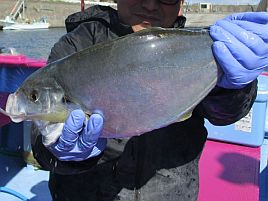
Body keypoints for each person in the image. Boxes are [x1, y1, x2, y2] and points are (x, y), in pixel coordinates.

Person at [31, 1, 268, 201]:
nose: (151, 5)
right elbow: (41, 136)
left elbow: (225, 115)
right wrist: (58, 151)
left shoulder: (199, 45)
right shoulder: (77, 44)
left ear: (181, 3)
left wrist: (232, 88)